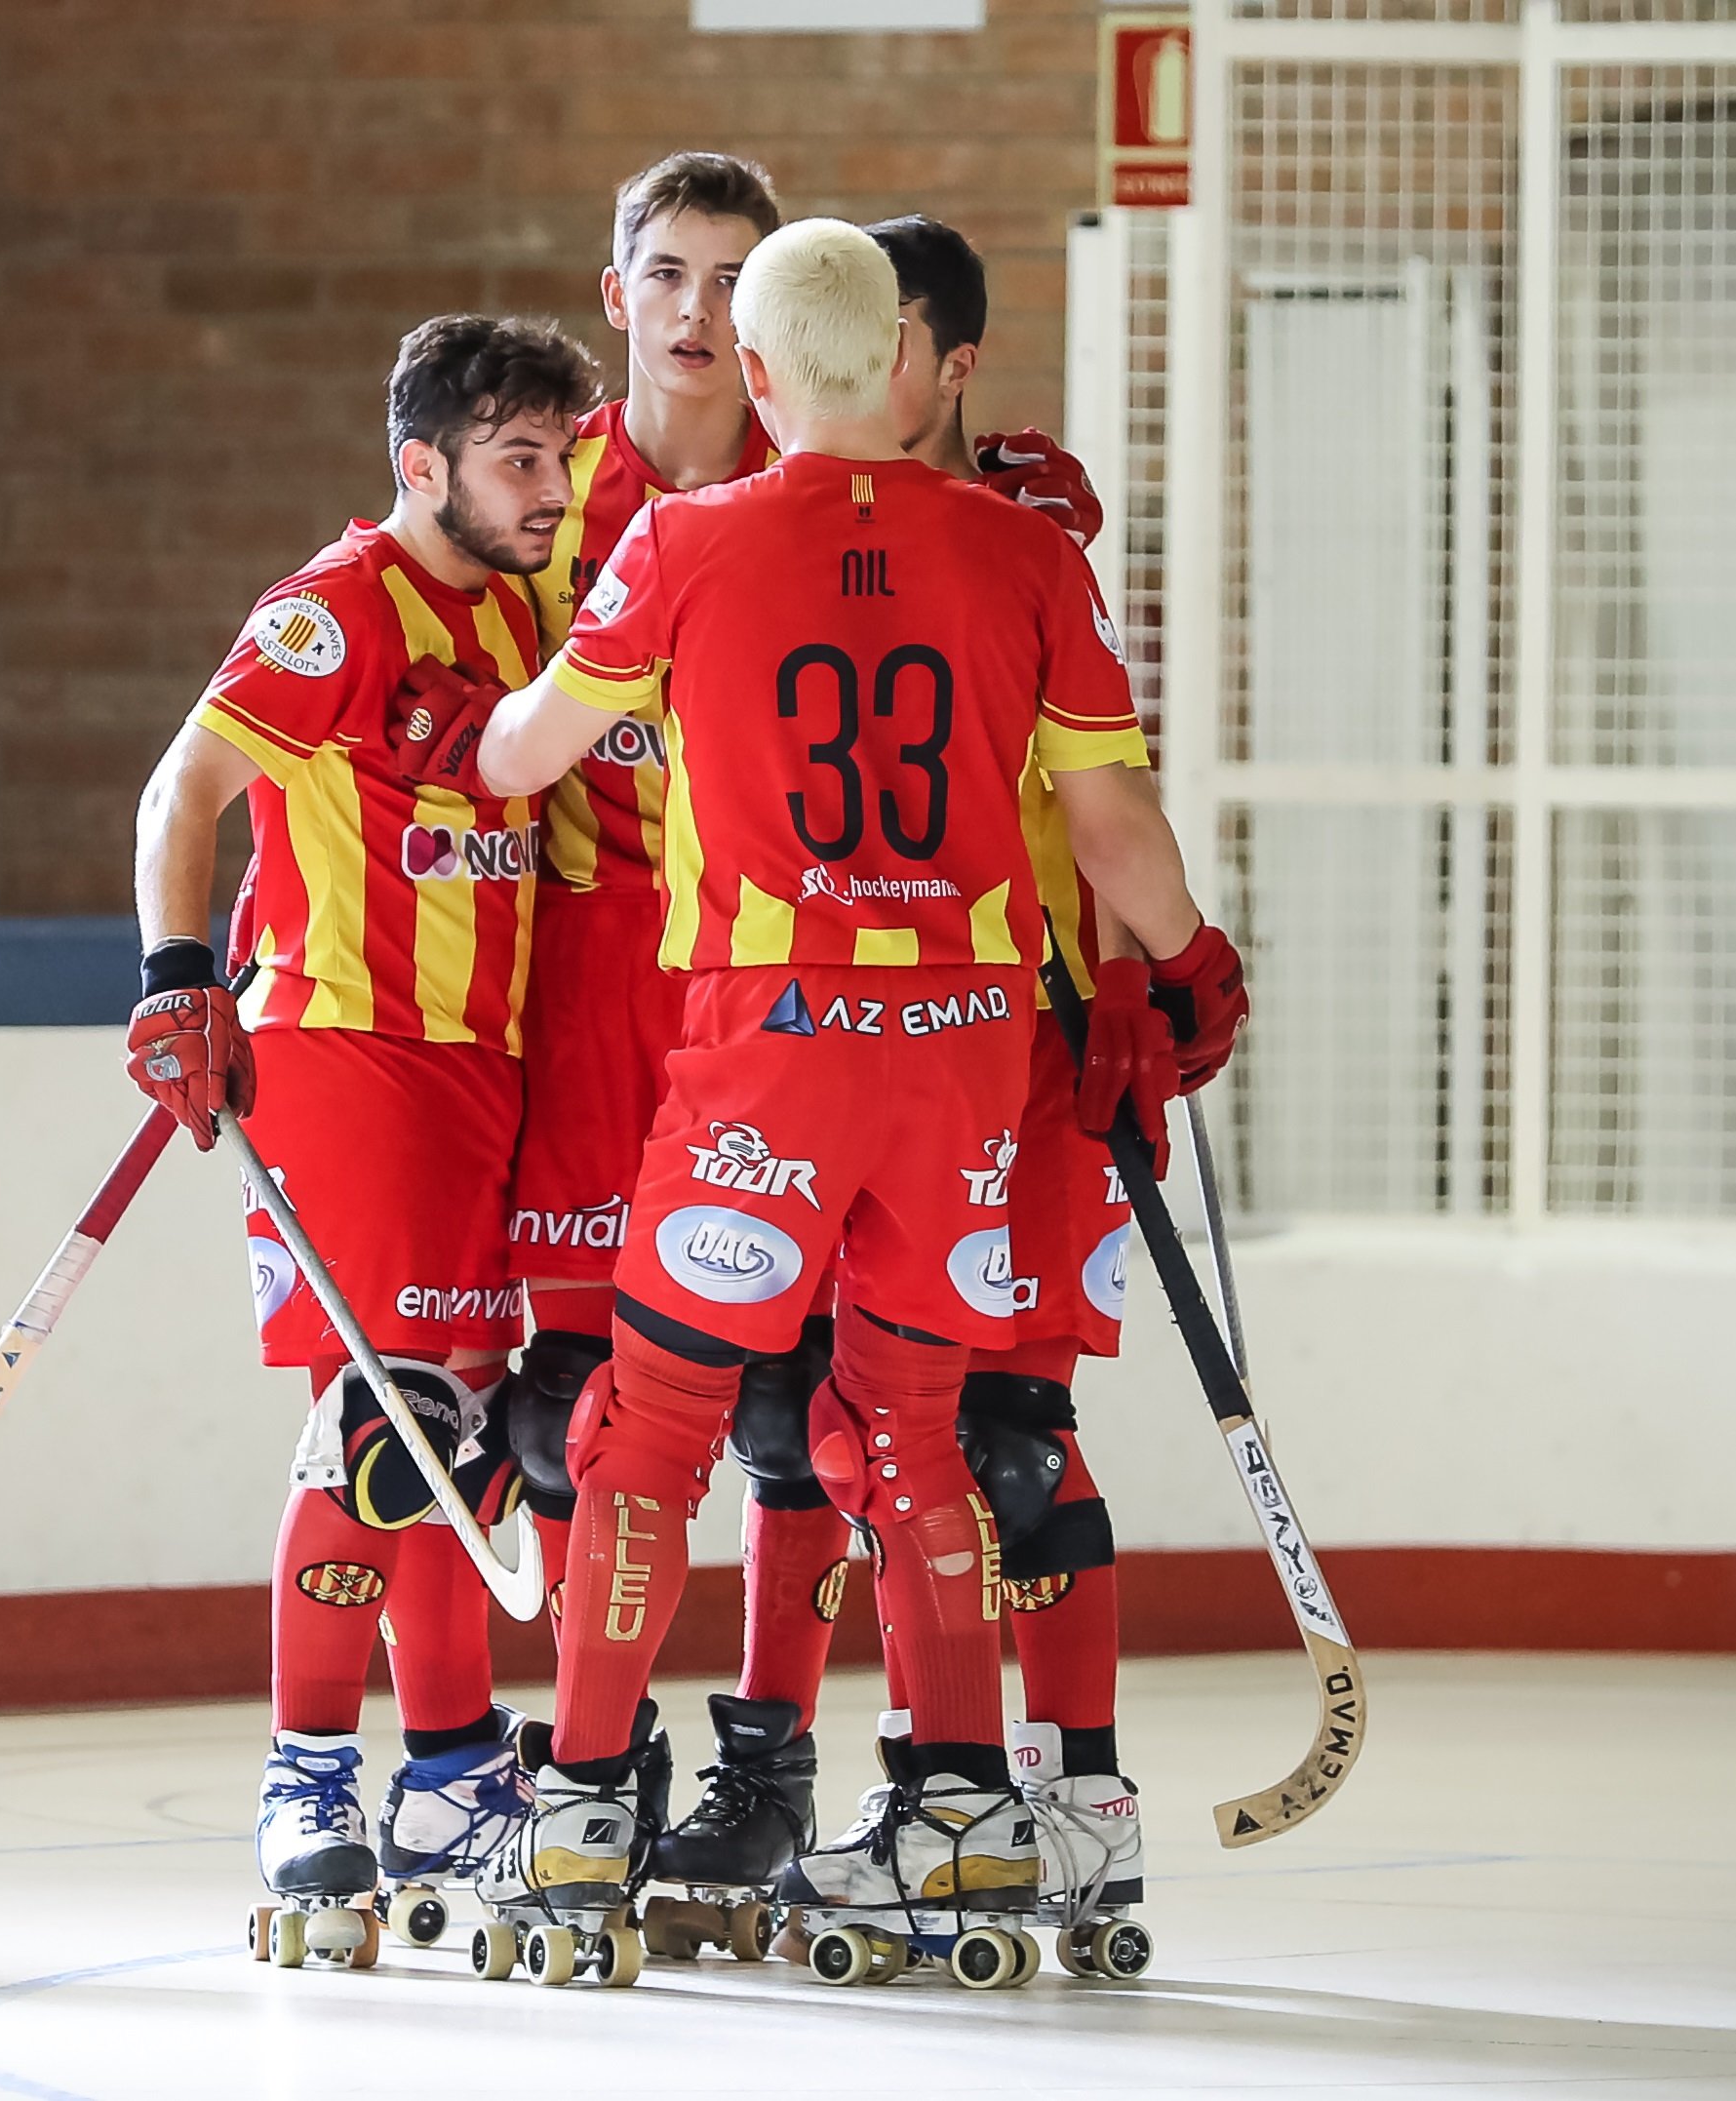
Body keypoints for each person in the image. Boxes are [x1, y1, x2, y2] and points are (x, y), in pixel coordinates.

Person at [469, 219, 1239, 1927]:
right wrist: (1191, 963)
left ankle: (586, 1815)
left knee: (654, 1426)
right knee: (917, 1431)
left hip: (772, 1049)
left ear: (753, 372)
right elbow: (1112, 826)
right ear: (907, 354)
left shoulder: (679, 539)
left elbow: (522, 754)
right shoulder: (1026, 559)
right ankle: (957, 1816)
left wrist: (531, 711)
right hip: (960, 1053)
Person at [124, 313, 598, 1923]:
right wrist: (179, 975)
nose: (546, 489)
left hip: (487, 1069)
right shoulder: (333, 613)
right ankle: (307, 1773)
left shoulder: (530, 606)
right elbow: (181, 789)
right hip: (351, 1053)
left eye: (555, 455)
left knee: (465, 1456)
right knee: (383, 1432)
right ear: (422, 466)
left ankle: (454, 1773)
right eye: (515, 460)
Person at [486, 153, 782, 1596]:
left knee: (802, 1410)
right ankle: (582, 1753)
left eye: (734, 280)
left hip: (768, 978)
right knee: (565, 1407)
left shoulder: (822, 494)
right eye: (668, 272)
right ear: (616, 294)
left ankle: (774, 1749)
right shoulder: (535, 486)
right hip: (583, 971)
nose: (697, 310)